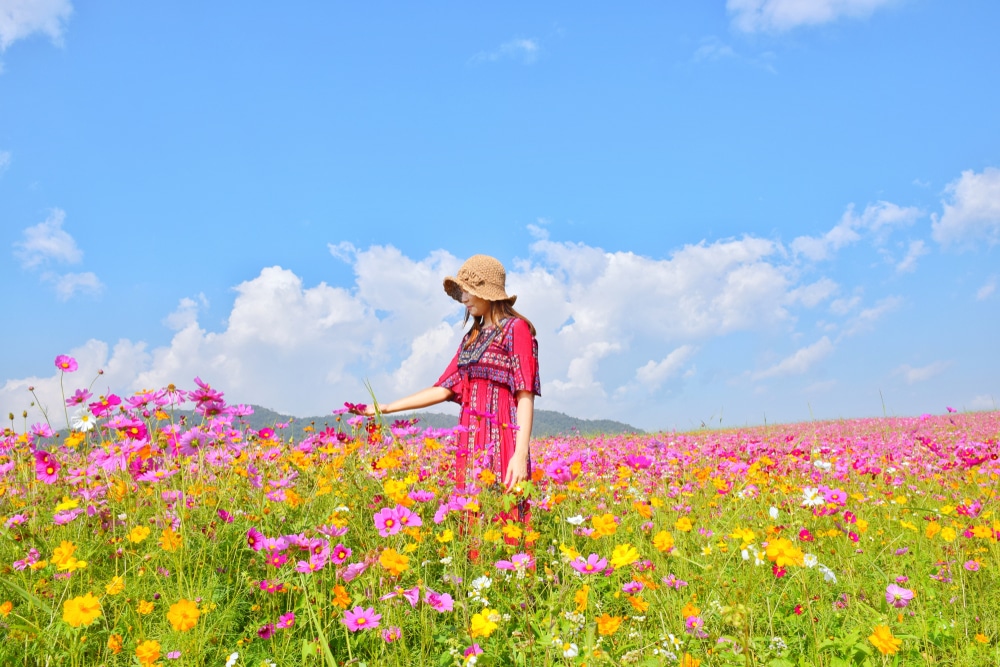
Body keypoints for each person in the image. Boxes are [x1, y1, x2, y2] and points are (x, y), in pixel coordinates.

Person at [356, 254, 540, 496]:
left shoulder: (516, 329)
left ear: (487, 292)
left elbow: (525, 393)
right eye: (461, 292)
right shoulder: (471, 339)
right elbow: (443, 388)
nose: (463, 299)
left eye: (468, 291)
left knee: (503, 514)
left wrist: (520, 453)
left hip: (504, 437)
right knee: (471, 513)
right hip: (470, 440)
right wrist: (385, 408)